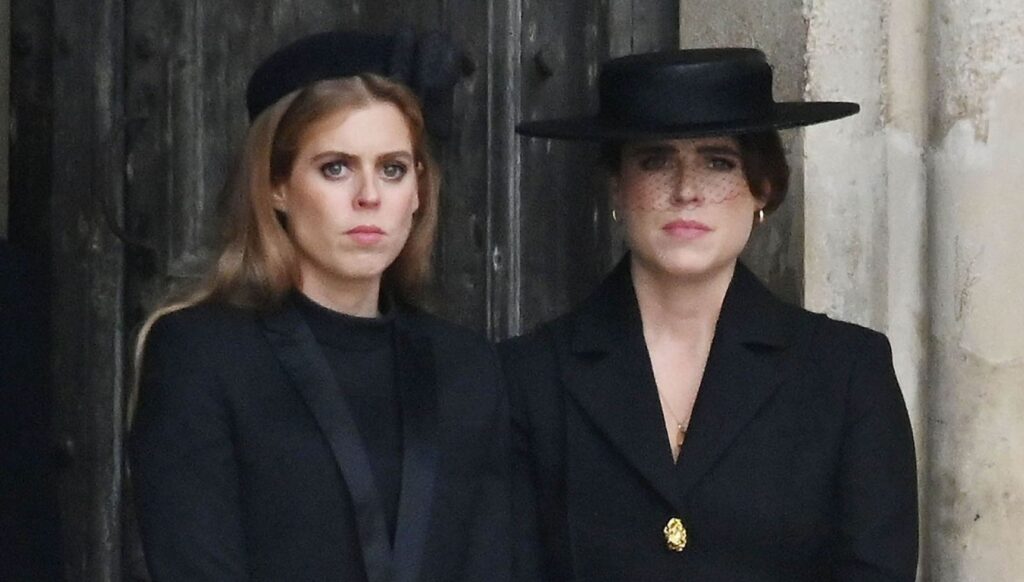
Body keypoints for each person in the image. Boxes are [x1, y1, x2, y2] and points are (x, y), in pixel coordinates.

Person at [501, 48, 918, 581]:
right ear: (616, 187)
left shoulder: (846, 373)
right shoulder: (529, 378)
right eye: (654, 160)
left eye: (718, 161)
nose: (686, 191)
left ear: (762, 186)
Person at [129, 31, 510, 582]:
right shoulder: (201, 353)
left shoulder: (467, 367)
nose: (369, 197)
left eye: (393, 168)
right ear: (277, 184)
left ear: (419, 191)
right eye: (336, 167)